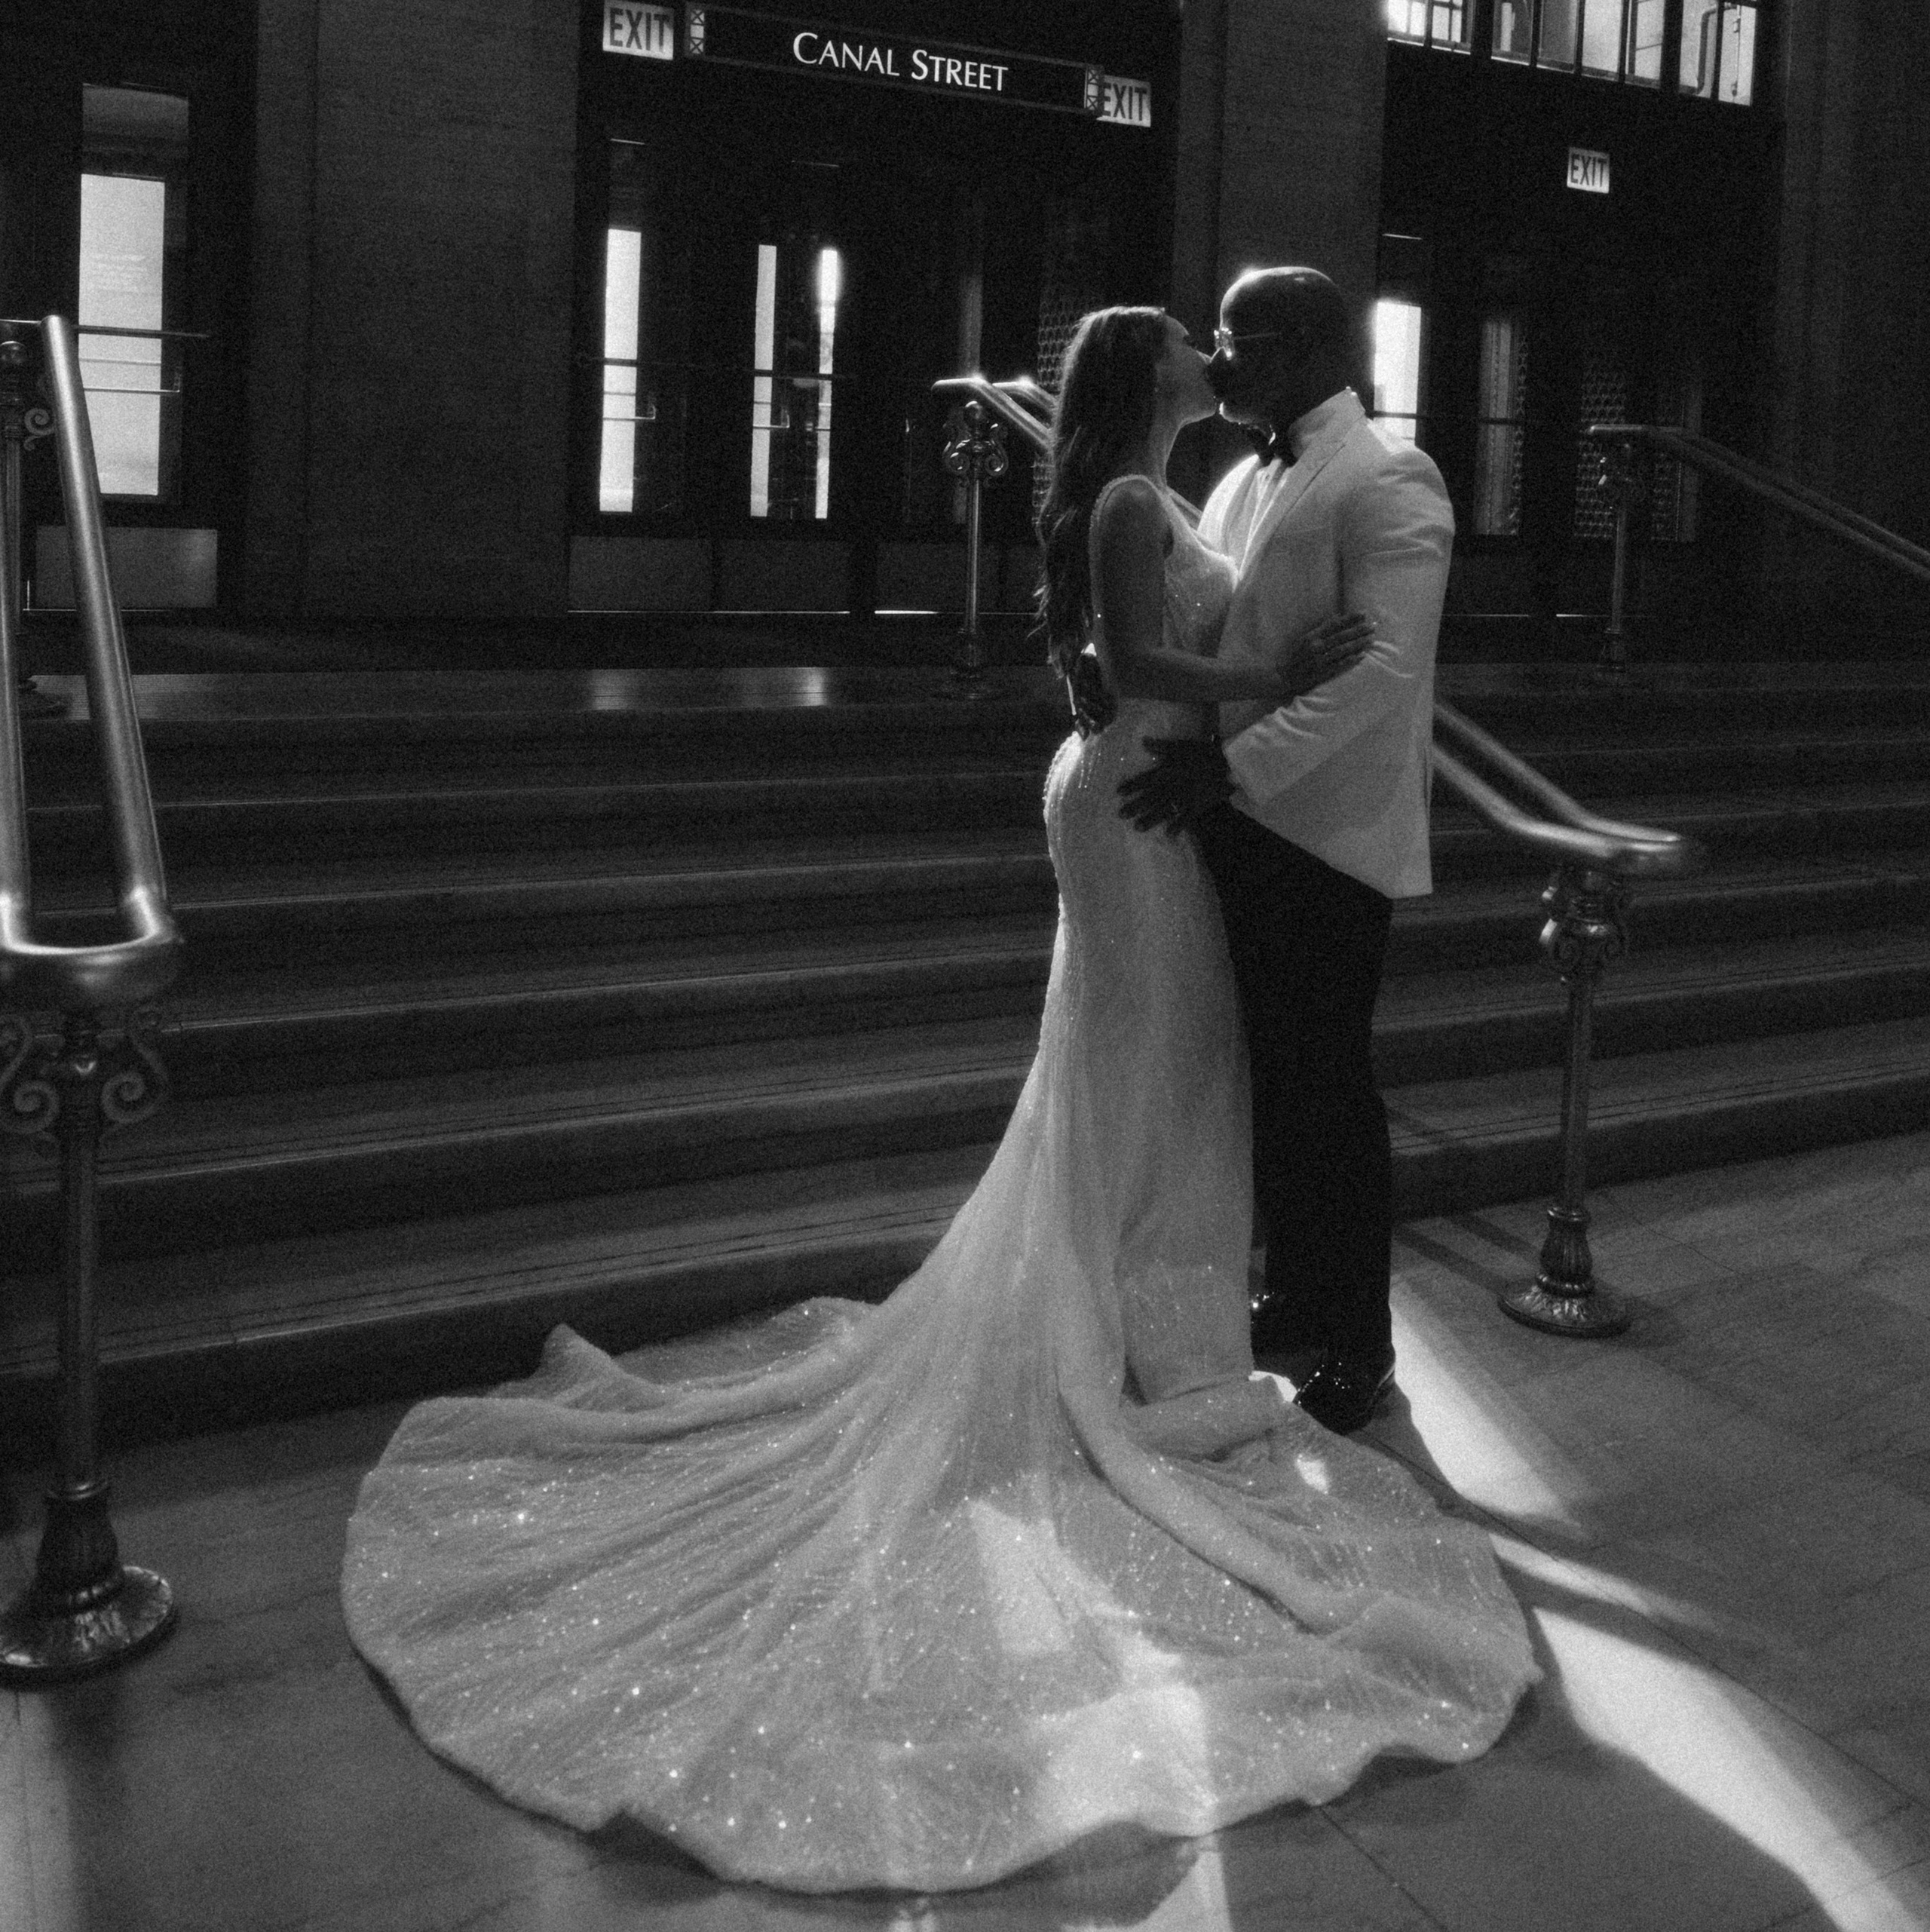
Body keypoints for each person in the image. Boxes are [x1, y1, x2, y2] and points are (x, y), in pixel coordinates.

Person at [340, 305, 1535, 1897]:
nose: (1210, 347)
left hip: (1178, 806)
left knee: (1170, 1069)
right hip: (1135, 804)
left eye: (1227, 332)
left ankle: (1156, 1308)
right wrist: (1260, 670)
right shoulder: (1129, 501)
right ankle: (1132, 1321)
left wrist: (1254, 690)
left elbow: (1233, 648)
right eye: (1193, 340)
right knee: (1138, 1063)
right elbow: (1130, 661)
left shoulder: (1212, 489)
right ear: (1147, 379)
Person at [1122, 267, 1454, 1437]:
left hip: (1328, 838)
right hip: (1234, 830)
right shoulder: (1232, 482)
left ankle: (1361, 1340)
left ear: (1309, 345)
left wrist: (1235, 768)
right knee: (1270, 1082)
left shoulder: (1390, 477)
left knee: (1330, 1091)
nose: (1219, 361)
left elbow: (1379, 676)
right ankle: (1294, 1290)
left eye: (1239, 339)